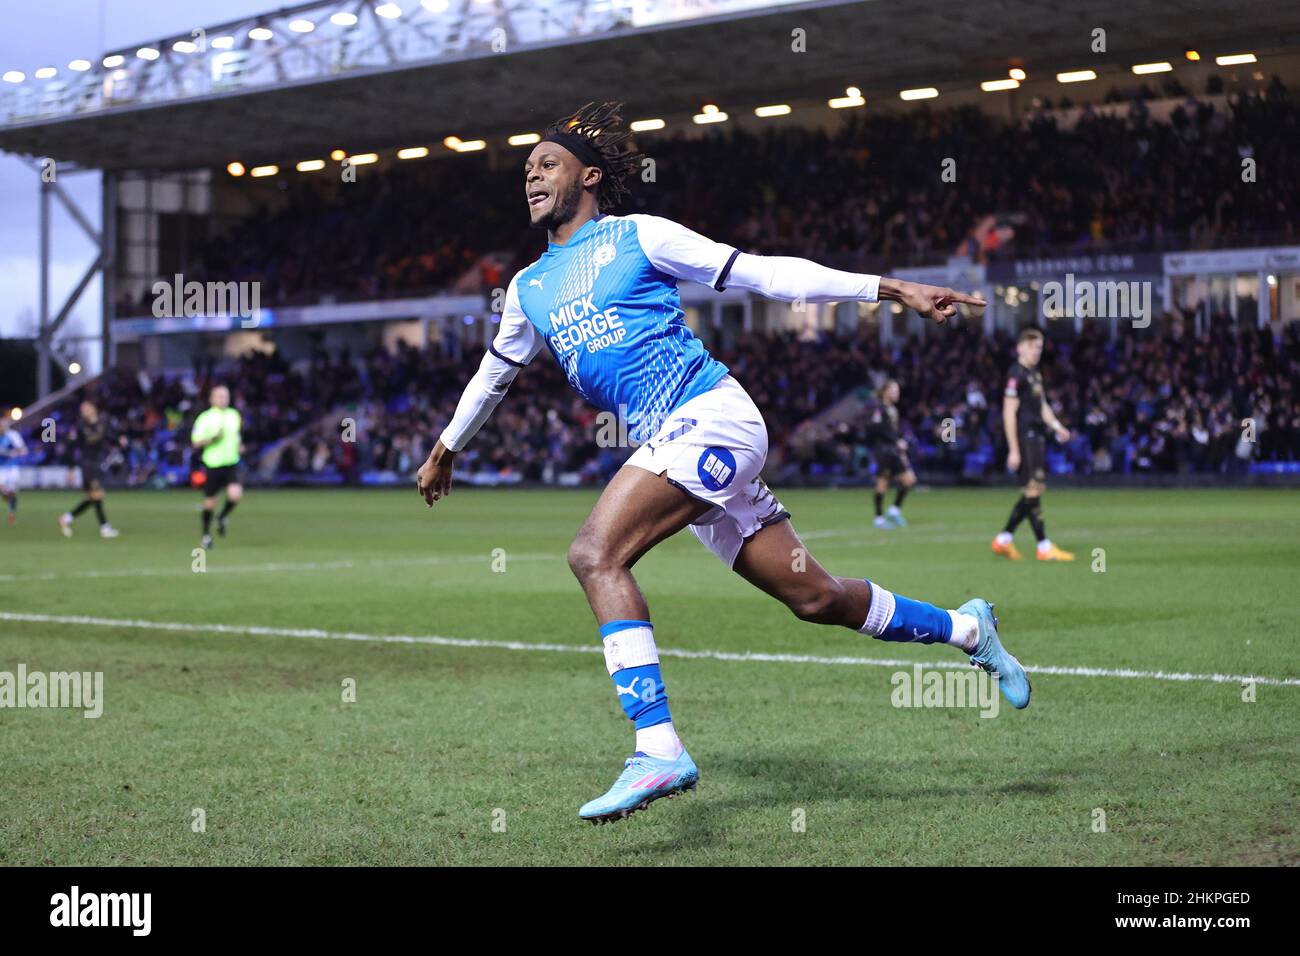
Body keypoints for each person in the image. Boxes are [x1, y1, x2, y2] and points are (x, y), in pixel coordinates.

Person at [416, 102, 1030, 825]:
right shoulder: (526, 289)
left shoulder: (640, 236)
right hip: (677, 448)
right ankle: (968, 629)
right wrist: (447, 445)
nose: (531, 179)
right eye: (526, 171)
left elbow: (763, 276)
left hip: (710, 418)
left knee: (594, 554)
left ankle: (658, 747)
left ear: (588, 175)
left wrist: (890, 288)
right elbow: (495, 373)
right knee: (817, 598)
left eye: (546, 165)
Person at [991, 328, 1075, 561]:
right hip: (1025, 437)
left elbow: (1043, 405)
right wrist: (1014, 449)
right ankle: (1042, 546)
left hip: (1037, 435)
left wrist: (1057, 426)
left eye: (1040, 347)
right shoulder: (1015, 374)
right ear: (1021, 348)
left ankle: (1004, 540)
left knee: (1034, 490)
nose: (1038, 352)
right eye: (1034, 347)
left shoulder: (1033, 373)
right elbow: (1008, 413)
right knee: (1032, 489)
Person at [191, 385, 244, 549]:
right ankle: (206, 536)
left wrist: (240, 446)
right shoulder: (205, 418)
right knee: (209, 502)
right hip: (213, 464)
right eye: (220, 396)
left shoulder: (234, 415)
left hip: (231, 462)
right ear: (212, 398)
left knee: (235, 496)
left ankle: (222, 516)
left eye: (225, 396)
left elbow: (236, 436)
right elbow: (196, 442)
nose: (223, 399)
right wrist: (213, 438)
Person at [59, 401, 119, 539]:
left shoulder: (103, 424)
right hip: (87, 465)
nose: (84, 411)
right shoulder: (80, 427)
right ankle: (104, 528)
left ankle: (67, 518)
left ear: (93, 408)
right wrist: (70, 470)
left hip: (98, 464)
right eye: (82, 409)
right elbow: (70, 448)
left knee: (94, 497)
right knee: (97, 495)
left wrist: (119, 440)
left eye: (86, 408)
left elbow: (111, 438)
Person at [866, 379, 916, 528]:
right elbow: (877, 429)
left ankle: (894, 510)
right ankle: (879, 518)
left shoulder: (892, 409)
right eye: (894, 390)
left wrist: (899, 440)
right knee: (882, 483)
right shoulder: (879, 408)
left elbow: (892, 430)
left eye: (898, 390)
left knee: (909, 479)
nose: (897, 393)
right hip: (884, 450)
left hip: (893, 449)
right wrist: (896, 441)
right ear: (886, 391)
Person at [0, 416, 27, 524]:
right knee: (3, 490)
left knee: (11, 492)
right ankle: (8, 498)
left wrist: (15, 453)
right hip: (1, 467)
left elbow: (23, 450)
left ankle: (12, 512)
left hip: (12, 467)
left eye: (2, 426)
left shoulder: (13, 435)